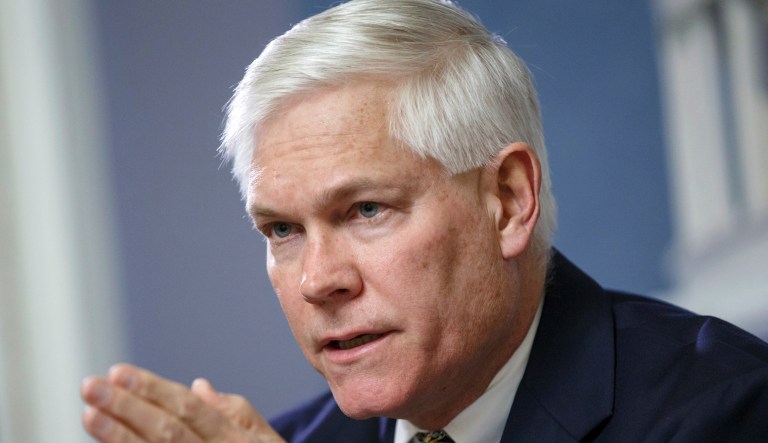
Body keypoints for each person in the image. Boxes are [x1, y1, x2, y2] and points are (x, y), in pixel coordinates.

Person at [80, 0, 768, 441]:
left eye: (366, 209)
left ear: (507, 199)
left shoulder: (723, 411)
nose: (319, 280)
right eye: (282, 230)